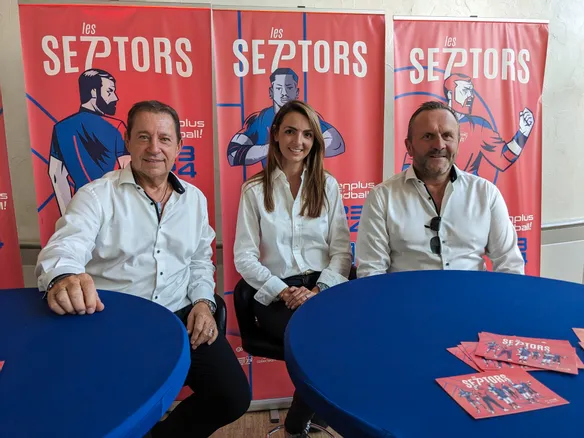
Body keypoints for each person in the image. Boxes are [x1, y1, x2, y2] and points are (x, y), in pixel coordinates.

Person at [36, 100, 250, 438]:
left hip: (181, 316)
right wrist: (63, 276)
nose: (154, 148)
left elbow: (199, 260)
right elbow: (65, 245)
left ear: (179, 146)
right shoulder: (96, 196)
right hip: (116, 323)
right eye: (144, 137)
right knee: (118, 411)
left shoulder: (194, 199)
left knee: (233, 397)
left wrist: (203, 304)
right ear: (127, 142)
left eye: (165, 139)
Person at [233, 100, 352, 437]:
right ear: (274, 135)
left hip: (321, 289)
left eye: (306, 135)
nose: (297, 141)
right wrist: (284, 290)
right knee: (317, 343)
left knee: (349, 339)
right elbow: (244, 257)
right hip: (275, 295)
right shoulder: (254, 190)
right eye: (289, 131)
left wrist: (316, 291)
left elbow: (341, 252)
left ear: (315, 140)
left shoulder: (328, 186)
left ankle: (307, 414)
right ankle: (298, 424)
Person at [357, 100, 525, 277]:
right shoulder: (382, 198)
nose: (439, 145)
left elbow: (509, 264)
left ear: (458, 143)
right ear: (409, 146)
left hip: (473, 302)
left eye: (447, 135)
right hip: (407, 303)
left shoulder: (485, 193)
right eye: (428, 136)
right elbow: (371, 272)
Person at [400, 73, 534, 184]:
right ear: (451, 95)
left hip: (467, 197)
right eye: (465, 91)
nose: (470, 96)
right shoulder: (424, 122)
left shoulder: (479, 126)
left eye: (471, 91)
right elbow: (409, 166)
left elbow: (503, 158)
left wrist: (523, 133)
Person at [49, 68, 131, 215]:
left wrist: (68, 215)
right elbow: (130, 171)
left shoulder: (61, 128)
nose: (115, 97)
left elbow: (56, 174)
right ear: (94, 92)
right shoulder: (116, 127)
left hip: (80, 208)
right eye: (109, 91)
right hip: (113, 209)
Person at [227, 68, 345, 168]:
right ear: (271, 92)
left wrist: (299, 149)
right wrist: (276, 147)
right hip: (270, 185)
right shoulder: (260, 119)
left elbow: (337, 143)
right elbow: (233, 154)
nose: (284, 93)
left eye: (289, 87)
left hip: (305, 182)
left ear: (297, 92)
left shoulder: (307, 116)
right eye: (279, 88)